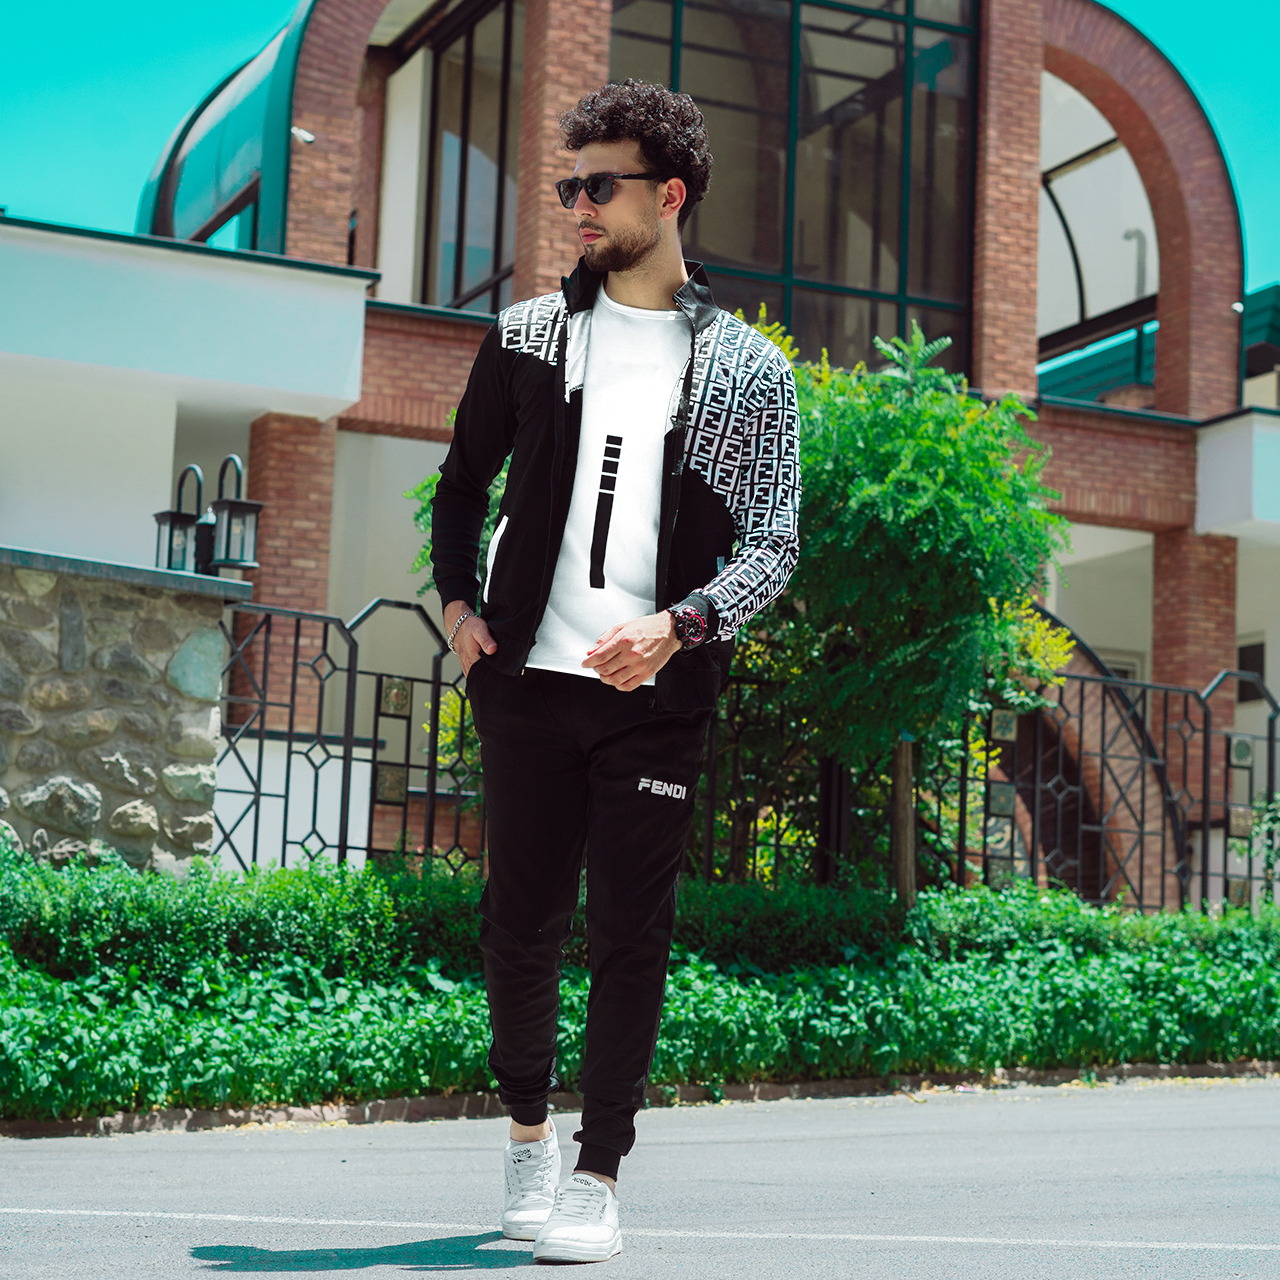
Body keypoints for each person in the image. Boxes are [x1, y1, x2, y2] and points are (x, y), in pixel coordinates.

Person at [430, 79, 799, 1264]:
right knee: (518, 925)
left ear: (668, 195)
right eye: (567, 185)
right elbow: (459, 484)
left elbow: (774, 541)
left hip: (654, 703)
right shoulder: (528, 337)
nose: (576, 205)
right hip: (528, 687)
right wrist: (456, 604)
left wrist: (680, 626)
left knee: (629, 933)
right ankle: (527, 1134)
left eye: (599, 184)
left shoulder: (746, 369)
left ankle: (596, 1173)